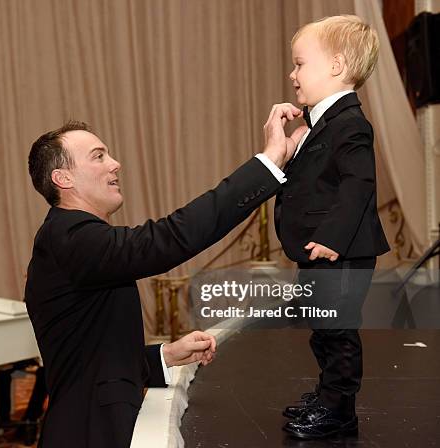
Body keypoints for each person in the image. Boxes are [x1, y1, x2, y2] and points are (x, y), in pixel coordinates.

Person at [24, 104, 306, 447]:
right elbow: (171, 238)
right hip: (88, 433)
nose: (115, 164)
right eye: (98, 157)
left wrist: (166, 355)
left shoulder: (71, 237)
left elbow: (92, 360)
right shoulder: (72, 236)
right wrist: (268, 162)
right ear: (63, 179)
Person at [275, 15, 390, 439]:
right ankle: (327, 394)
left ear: (337, 66)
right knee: (321, 328)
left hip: (341, 251)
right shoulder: (318, 122)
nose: (292, 74)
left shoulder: (350, 123)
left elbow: (359, 184)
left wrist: (331, 237)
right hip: (318, 252)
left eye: (300, 64)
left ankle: (339, 409)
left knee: (337, 330)